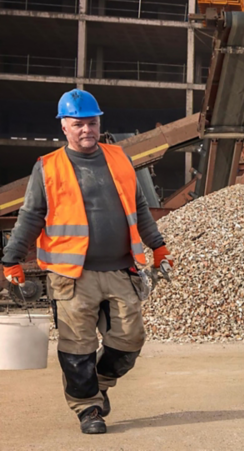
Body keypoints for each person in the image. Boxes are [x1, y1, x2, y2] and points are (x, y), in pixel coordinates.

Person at [2, 89, 174, 434]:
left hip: (120, 268)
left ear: (99, 123)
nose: (86, 130)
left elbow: (138, 207)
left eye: (92, 123)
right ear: (64, 127)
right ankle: (88, 408)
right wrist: (11, 259)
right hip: (71, 275)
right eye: (78, 124)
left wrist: (157, 245)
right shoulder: (48, 168)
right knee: (76, 346)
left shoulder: (119, 158)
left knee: (130, 339)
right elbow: (31, 216)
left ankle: (99, 382)